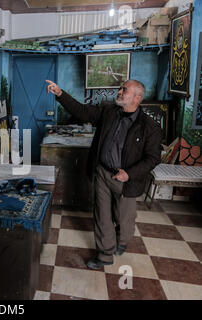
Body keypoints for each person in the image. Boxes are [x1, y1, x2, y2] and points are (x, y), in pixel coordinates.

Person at [45, 79, 162, 269]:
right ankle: (105, 254)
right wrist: (60, 93)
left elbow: (153, 158)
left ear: (137, 97)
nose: (120, 91)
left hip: (125, 179)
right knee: (102, 215)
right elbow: (82, 111)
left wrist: (129, 173)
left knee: (124, 219)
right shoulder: (109, 112)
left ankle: (122, 240)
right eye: (121, 88)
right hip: (102, 172)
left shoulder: (150, 126)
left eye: (125, 89)